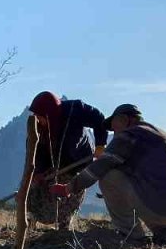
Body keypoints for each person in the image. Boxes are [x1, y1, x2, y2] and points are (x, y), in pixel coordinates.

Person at [60, 104, 166, 245]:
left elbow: (99, 167)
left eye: (114, 126)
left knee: (107, 177)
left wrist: (70, 187)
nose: (114, 132)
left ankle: (131, 235)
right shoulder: (158, 134)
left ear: (124, 119)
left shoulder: (130, 135)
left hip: (159, 208)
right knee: (145, 187)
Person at [25, 91, 109, 230]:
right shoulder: (36, 127)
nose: (37, 119)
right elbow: (35, 152)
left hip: (77, 161)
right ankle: (30, 222)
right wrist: (38, 172)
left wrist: (101, 144)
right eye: (36, 115)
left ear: (50, 113)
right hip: (52, 164)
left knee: (69, 193)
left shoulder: (75, 110)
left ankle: (64, 227)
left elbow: (99, 120)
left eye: (40, 116)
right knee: (38, 190)